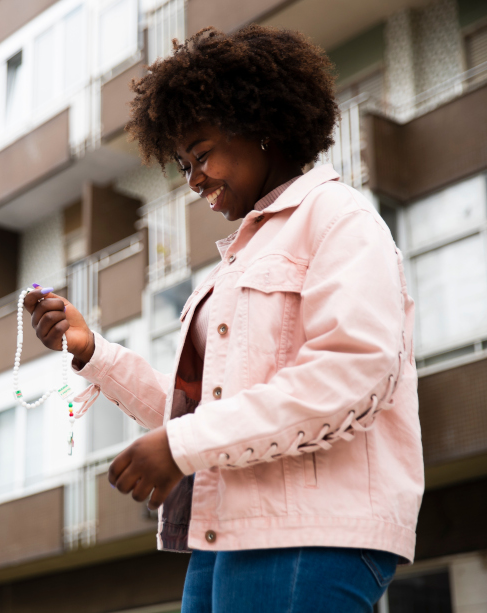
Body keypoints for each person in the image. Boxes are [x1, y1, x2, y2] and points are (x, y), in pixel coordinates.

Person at [25, 26, 423, 613]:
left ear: (262, 126)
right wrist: (91, 352)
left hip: (309, 532)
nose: (194, 181)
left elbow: (352, 374)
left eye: (202, 153)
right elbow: (202, 410)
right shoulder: (231, 266)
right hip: (229, 533)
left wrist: (182, 445)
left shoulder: (339, 218)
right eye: (183, 165)